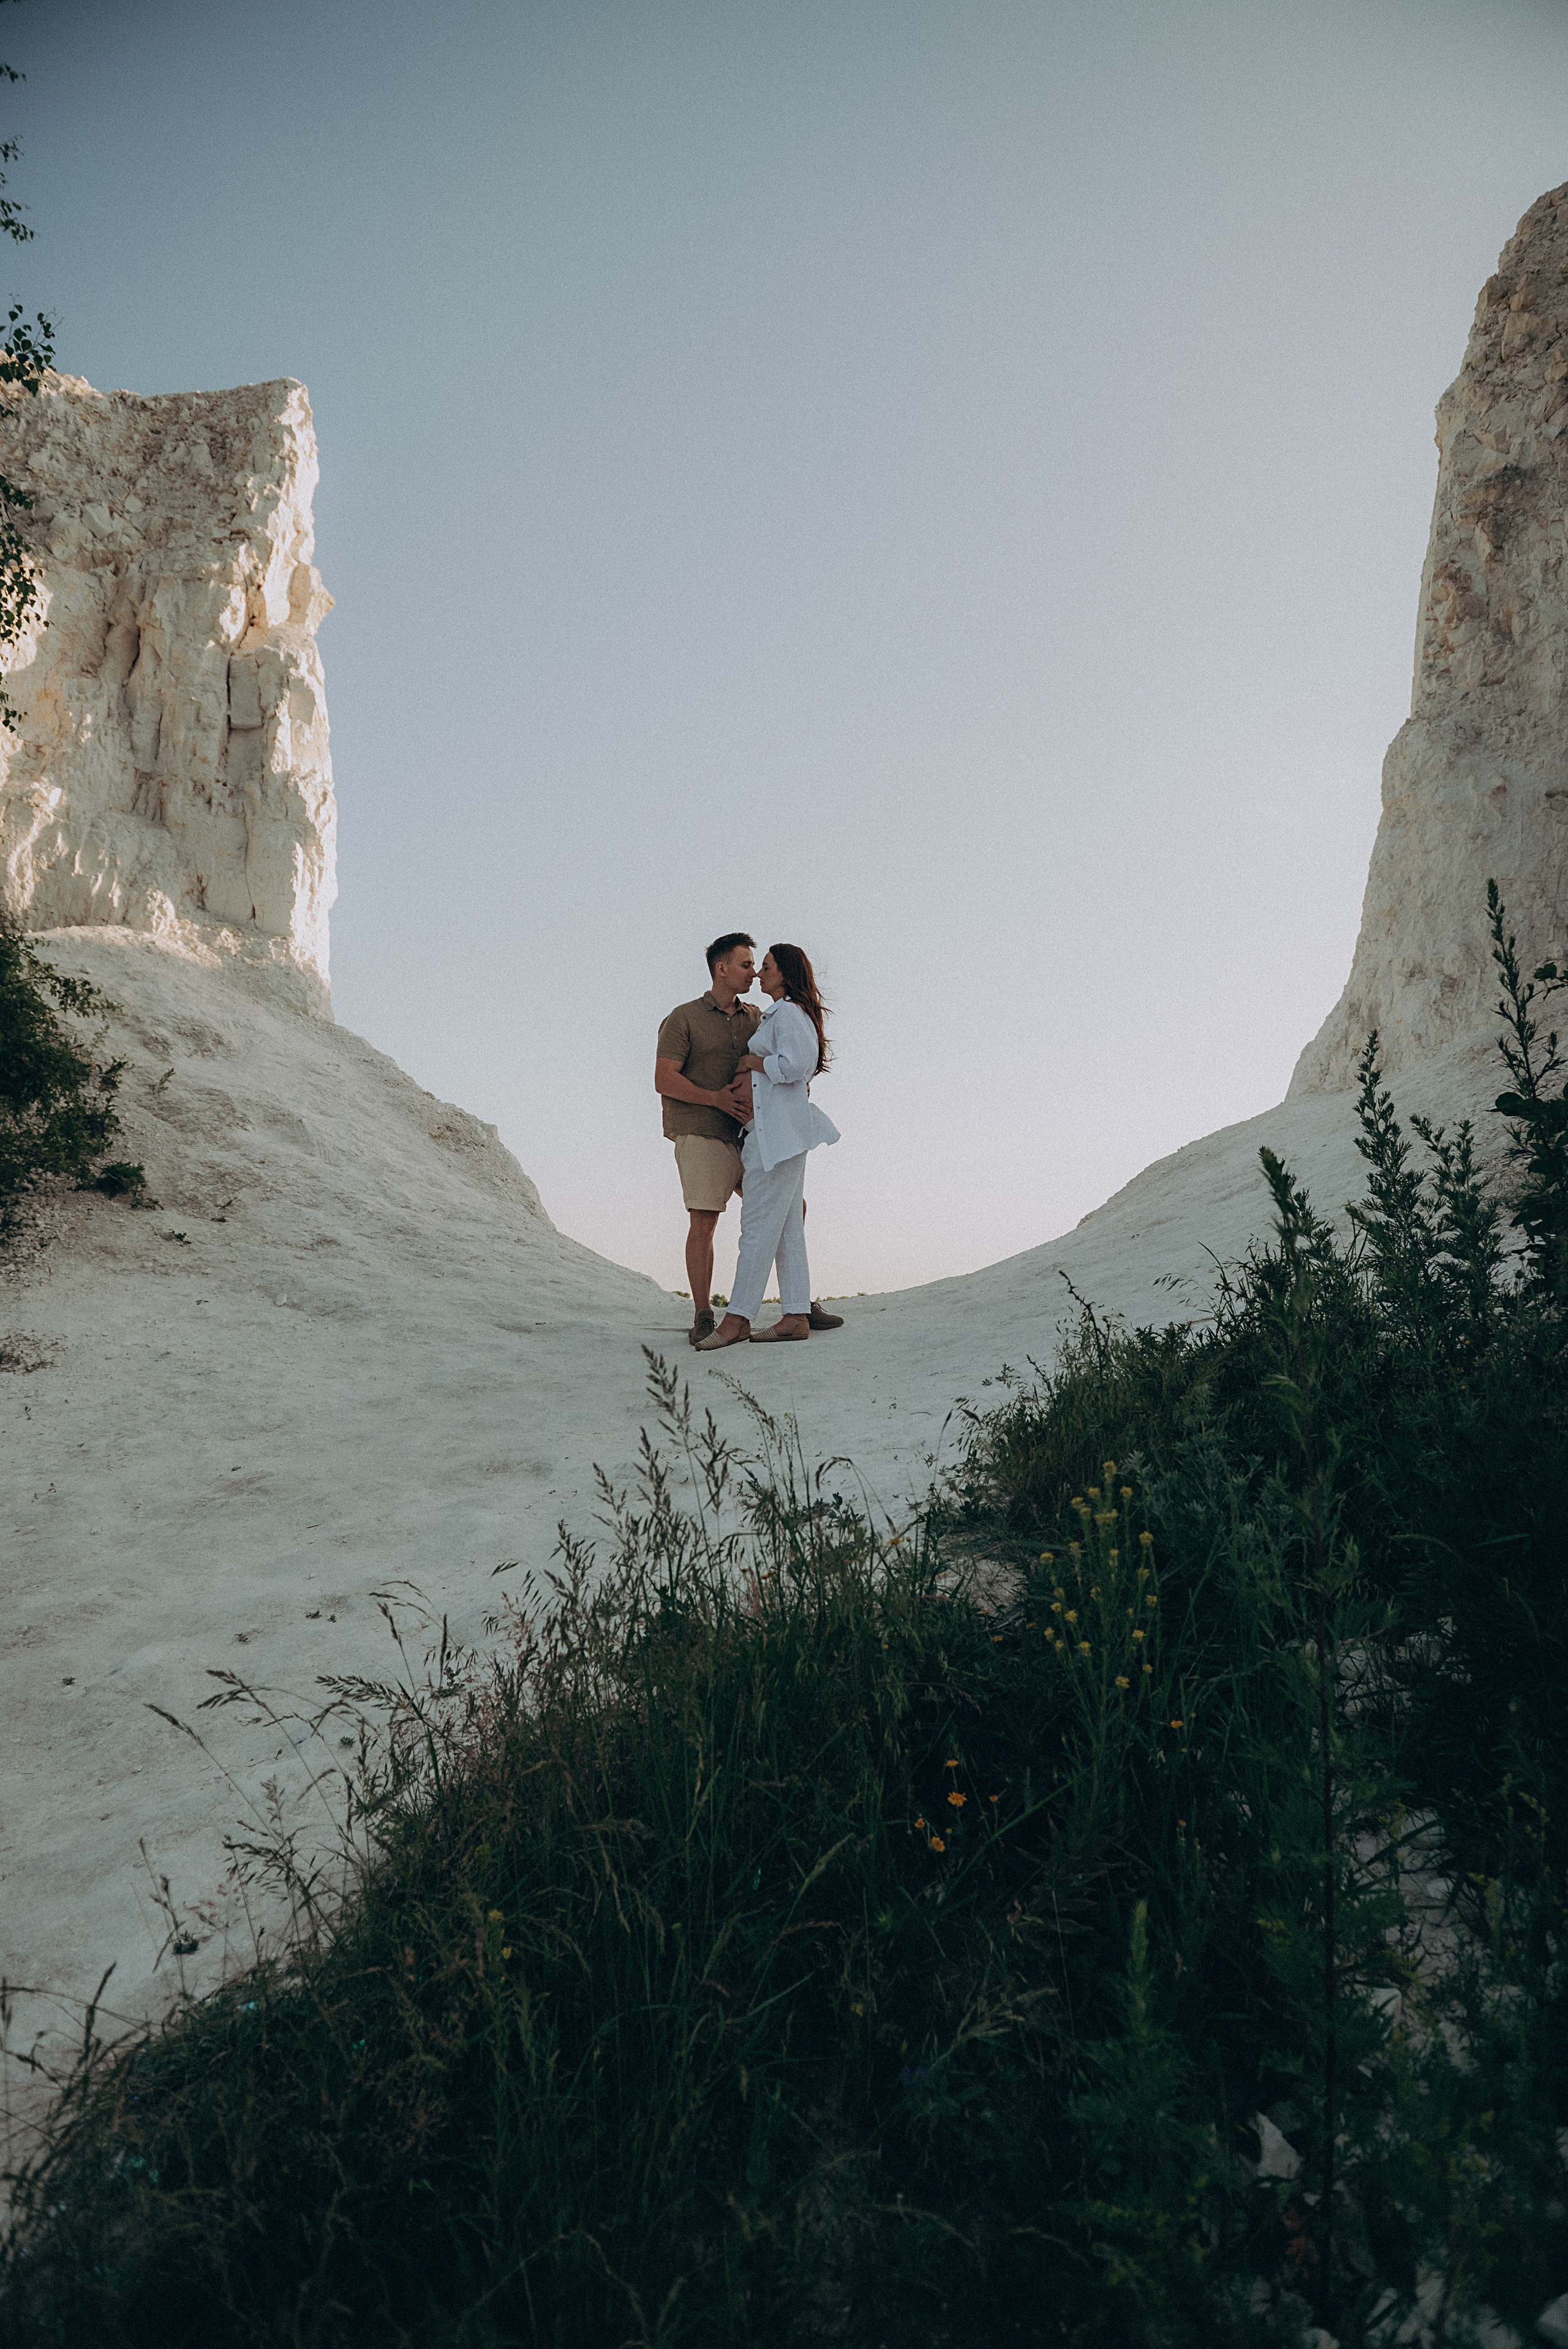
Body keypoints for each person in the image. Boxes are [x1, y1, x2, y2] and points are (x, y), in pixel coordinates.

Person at [696, 943, 840, 1349]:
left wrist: (753, 1063)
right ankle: (795, 1314)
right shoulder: (781, 1013)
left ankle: (737, 1318)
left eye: (767, 966)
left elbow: (799, 1065)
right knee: (787, 1228)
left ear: (787, 973)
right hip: (772, 1131)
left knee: (757, 1226)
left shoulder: (790, 1013)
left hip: (776, 1135)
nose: (759, 973)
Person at [655, 933, 761, 1348]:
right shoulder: (683, 1018)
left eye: (755, 965)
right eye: (746, 964)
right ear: (722, 968)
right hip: (702, 1130)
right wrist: (714, 1098)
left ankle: (799, 1304)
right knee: (705, 1221)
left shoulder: (756, 1017)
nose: (753, 971)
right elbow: (664, 1078)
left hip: (749, 1136)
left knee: (789, 1208)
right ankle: (703, 1314)